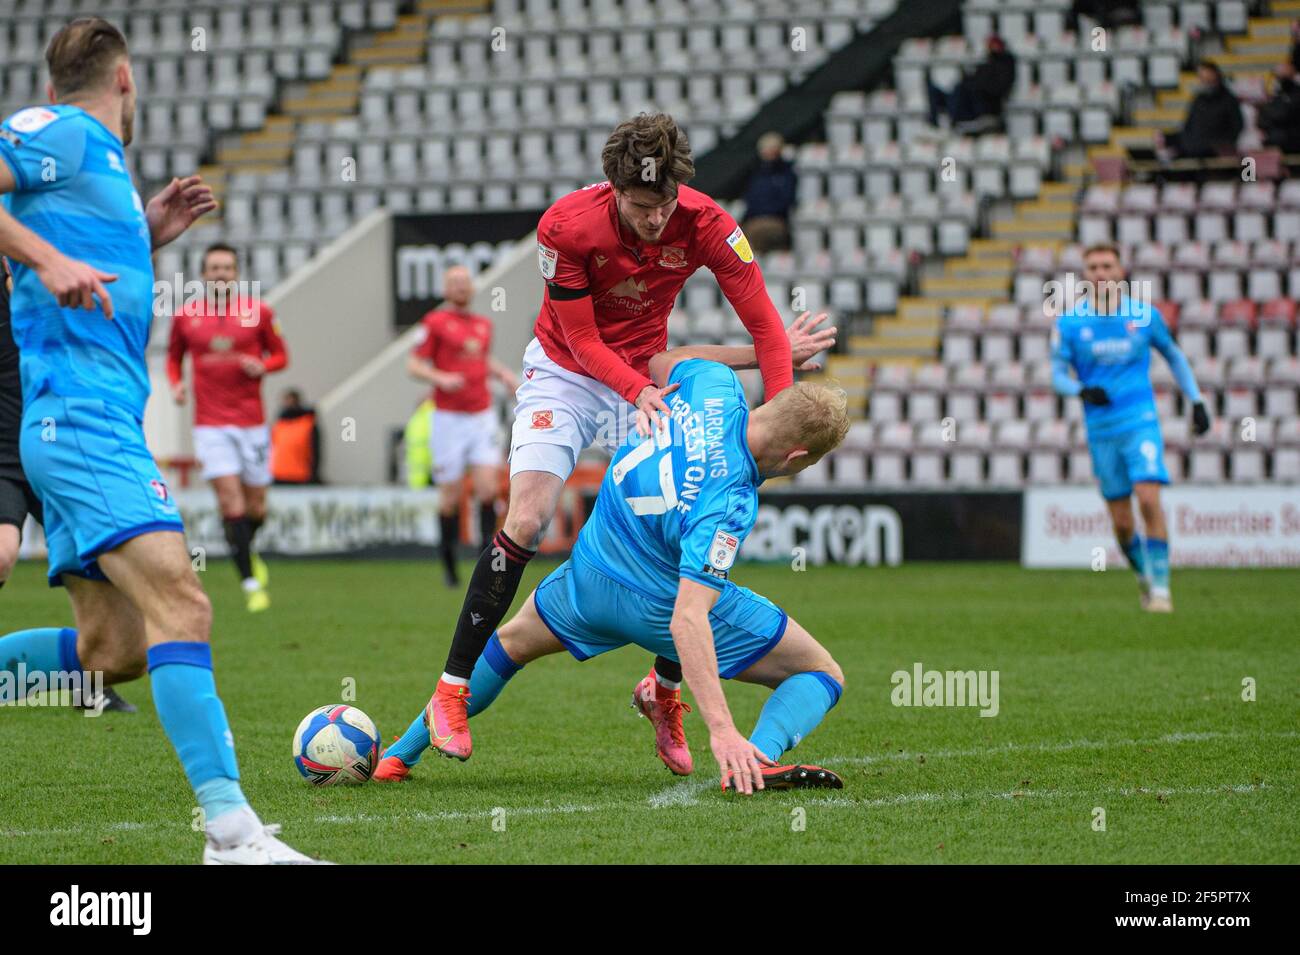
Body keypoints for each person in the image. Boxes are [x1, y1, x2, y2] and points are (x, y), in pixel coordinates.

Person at [379, 112, 832, 780]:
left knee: (698, 514)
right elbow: (584, 341)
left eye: (666, 204)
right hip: (567, 371)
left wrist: (778, 410)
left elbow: (764, 322)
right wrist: (634, 389)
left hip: (646, 374)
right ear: (614, 188)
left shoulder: (708, 224)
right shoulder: (565, 227)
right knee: (527, 517)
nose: (657, 220)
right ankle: (451, 689)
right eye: (644, 207)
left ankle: (664, 691)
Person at [0, 17, 320, 863]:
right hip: (82, 421)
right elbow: (45, 246)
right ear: (127, 78)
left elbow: (85, 248)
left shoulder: (94, 162)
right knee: (185, 604)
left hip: (81, 421)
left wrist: (144, 229)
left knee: (116, 649)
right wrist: (45, 261)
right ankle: (232, 834)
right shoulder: (61, 130)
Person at [380, 351, 850, 793]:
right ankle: (757, 758)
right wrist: (723, 730)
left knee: (507, 647)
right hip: (658, 610)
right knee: (820, 671)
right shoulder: (729, 505)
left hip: (589, 575)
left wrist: (759, 352)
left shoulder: (714, 383)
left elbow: (662, 359)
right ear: (797, 457)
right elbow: (687, 619)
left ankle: (397, 758)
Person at [1, 256, 135, 713]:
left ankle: (94, 679)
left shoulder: (47, 289)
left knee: (103, 566)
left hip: (55, 448)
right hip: (5, 458)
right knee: (1, 554)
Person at [1051, 243, 1211, 613]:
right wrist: (1080, 390)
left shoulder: (1143, 315)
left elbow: (1172, 354)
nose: (1100, 273)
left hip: (1140, 420)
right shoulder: (1070, 323)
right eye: (1092, 267)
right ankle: (1143, 573)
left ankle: (1161, 591)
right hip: (1101, 429)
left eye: (1107, 265)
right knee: (1122, 525)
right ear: (1085, 276)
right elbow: (1057, 374)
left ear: (1121, 271)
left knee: (1149, 497)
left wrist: (1196, 399)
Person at [166, 242, 288, 613]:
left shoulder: (259, 312)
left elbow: (282, 355)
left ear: (236, 275)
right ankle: (250, 582)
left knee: (258, 507)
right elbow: (174, 358)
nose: (220, 275)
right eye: (214, 268)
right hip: (210, 425)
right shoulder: (187, 316)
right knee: (229, 499)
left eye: (227, 269)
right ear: (203, 275)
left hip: (252, 423)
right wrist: (176, 384)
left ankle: (244, 550)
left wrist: (263, 367)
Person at [406, 265, 518, 587]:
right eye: (454, 282)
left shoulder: (483, 324)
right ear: (444, 289)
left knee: (488, 489)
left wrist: (503, 374)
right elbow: (413, 364)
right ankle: (449, 563)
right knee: (450, 497)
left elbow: (481, 359)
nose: (460, 287)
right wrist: (439, 377)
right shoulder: (434, 323)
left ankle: (486, 559)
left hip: (481, 414)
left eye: (465, 282)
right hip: (448, 418)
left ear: (472, 288)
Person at [929, 34, 1017, 133]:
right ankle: (936, 123)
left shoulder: (1004, 63)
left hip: (987, 103)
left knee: (962, 89)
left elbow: (997, 87)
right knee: (938, 90)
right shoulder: (985, 62)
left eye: (995, 45)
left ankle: (957, 120)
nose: (993, 47)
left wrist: (977, 84)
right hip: (976, 96)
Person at [1162, 61, 1243, 160]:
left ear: (1216, 75)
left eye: (1208, 76)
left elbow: (1237, 126)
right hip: (1194, 146)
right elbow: (1188, 126)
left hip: (1215, 148)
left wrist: (1224, 144)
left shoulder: (1229, 100)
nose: (1205, 80)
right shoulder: (1198, 100)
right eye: (1202, 77)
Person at [741, 132, 797, 254]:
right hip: (754, 220)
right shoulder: (755, 173)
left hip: (775, 220)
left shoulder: (786, 174)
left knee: (762, 232)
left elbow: (786, 200)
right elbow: (750, 200)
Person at [270, 387, 320, 485]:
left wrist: (314, 474)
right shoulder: (279, 424)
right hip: (278, 475)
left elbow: (316, 451)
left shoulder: (308, 423)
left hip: (301, 476)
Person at [1259, 60, 1300, 155]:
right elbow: (1263, 120)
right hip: (1275, 141)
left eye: (1284, 75)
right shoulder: (1274, 96)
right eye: (1278, 75)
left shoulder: (1296, 95)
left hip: (1294, 142)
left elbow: (1286, 115)